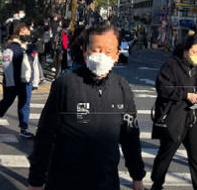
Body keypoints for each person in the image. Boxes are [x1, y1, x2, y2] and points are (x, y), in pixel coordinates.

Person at [27, 23, 145, 190]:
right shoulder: (65, 85)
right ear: (85, 51)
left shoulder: (122, 88)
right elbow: (45, 135)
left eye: (108, 51)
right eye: (96, 50)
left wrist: (137, 176)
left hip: (107, 182)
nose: (101, 56)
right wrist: (36, 181)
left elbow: (130, 137)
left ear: (118, 55)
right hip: (65, 181)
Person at [150, 35, 197, 190]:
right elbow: (162, 87)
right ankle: (157, 184)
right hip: (176, 119)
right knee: (165, 155)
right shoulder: (171, 66)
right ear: (185, 51)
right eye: (195, 52)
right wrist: (186, 95)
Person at [0, 22, 35, 138]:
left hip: (26, 82)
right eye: (26, 31)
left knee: (24, 104)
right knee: (7, 101)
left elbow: (34, 65)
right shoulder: (10, 48)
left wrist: (34, 81)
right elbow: (7, 66)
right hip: (13, 82)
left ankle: (24, 128)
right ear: (19, 33)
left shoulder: (29, 47)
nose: (29, 33)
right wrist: (10, 84)